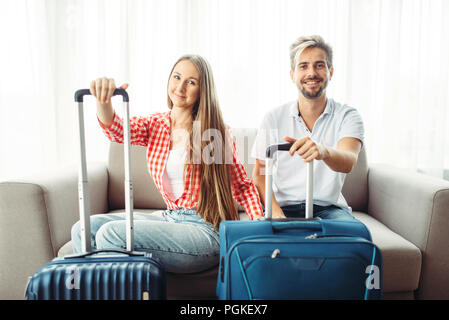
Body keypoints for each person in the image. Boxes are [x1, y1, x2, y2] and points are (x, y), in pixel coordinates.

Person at [71, 54, 264, 273]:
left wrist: (260, 225)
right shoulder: (155, 125)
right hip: (169, 218)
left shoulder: (213, 132)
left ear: (202, 90)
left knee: (111, 234)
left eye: (191, 82)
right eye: (177, 77)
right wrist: (103, 102)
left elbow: (241, 186)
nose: (180, 87)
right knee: (83, 229)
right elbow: (115, 129)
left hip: (204, 229)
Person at [251, 35, 364, 220]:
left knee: (353, 240)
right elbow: (260, 174)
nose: (311, 73)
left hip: (329, 210)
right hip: (285, 208)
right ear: (292, 75)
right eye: (303, 66)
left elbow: (349, 161)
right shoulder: (273, 118)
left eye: (319, 65)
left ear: (331, 72)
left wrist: (323, 151)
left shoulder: (348, 116)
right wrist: (276, 213)